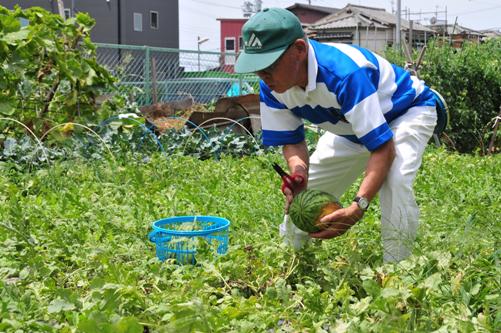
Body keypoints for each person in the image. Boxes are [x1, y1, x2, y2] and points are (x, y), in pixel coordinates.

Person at [235, 8, 438, 263]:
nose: (262, 75)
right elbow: (292, 140)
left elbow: (383, 148)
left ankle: (398, 273)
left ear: (299, 49)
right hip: (351, 127)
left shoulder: (344, 73)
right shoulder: (272, 86)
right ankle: (289, 260)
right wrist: (299, 172)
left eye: (269, 64)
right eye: (257, 66)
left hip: (403, 112)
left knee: (395, 180)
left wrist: (357, 207)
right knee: (307, 195)